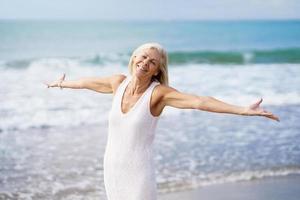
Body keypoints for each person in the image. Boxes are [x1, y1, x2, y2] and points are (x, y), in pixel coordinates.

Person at [44, 42, 279, 200]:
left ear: (157, 70)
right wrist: (62, 83)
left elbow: (199, 101)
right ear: (135, 57)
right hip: (112, 168)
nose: (145, 62)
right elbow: (88, 83)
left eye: (153, 62)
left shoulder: (158, 94)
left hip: (138, 173)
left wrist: (242, 110)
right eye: (143, 57)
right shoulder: (118, 83)